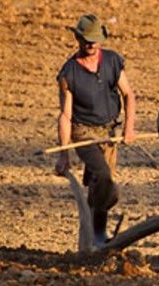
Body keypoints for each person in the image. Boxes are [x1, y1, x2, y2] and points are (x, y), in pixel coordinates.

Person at [54, 13, 136, 246]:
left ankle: (89, 239)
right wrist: (64, 154)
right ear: (78, 39)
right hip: (83, 133)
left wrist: (128, 128)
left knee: (101, 187)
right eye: (86, 39)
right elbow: (65, 115)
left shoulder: (112, 61)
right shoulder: (69, 73)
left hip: (109, 134)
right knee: (105, 181)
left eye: (95, 40)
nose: (91, 44)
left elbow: (129, 95)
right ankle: (99, 236)